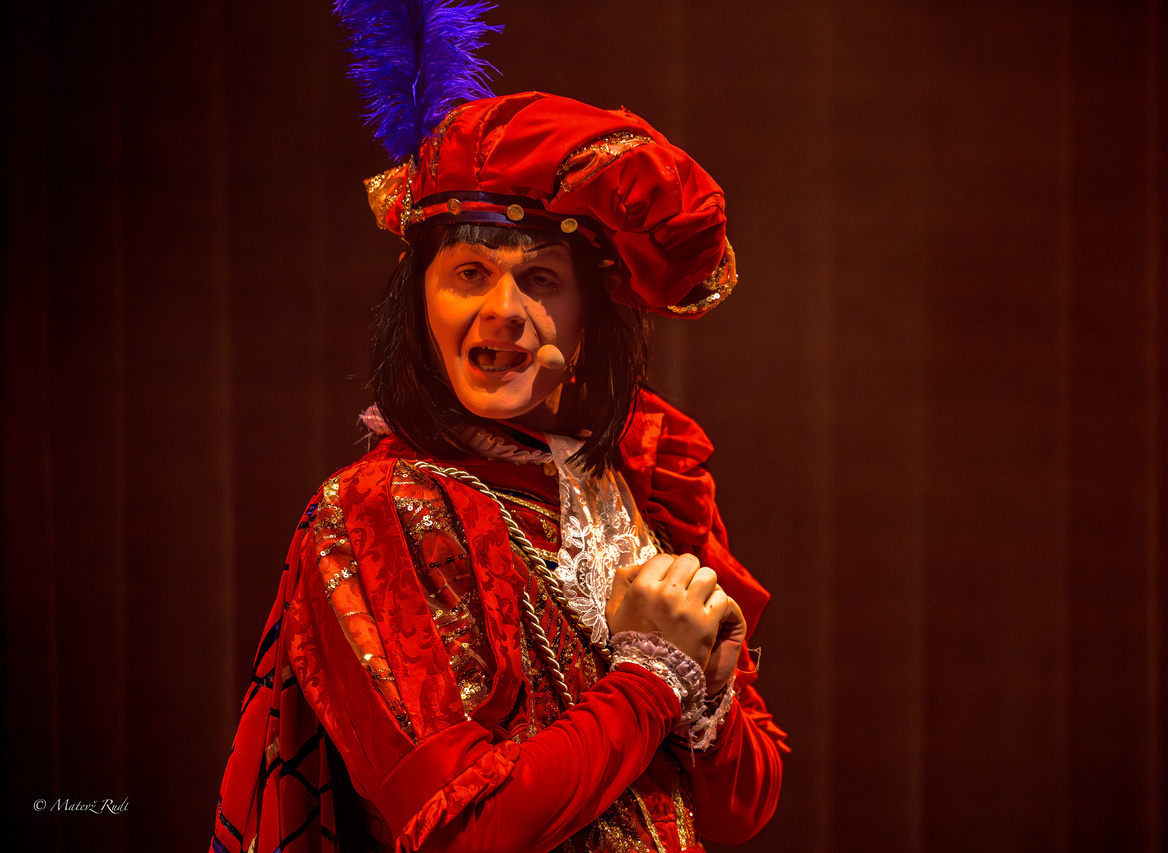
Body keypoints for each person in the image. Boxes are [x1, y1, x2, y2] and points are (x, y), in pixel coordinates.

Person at [211, 8, 785, 852]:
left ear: (590, 316)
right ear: (421, 305)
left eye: (541, 279)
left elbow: (742, 807)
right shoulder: (381, 511)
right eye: (470, 273)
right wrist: (653, 676)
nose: (503, 311)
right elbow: (463, 832)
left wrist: (711, 689)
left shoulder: (640, 486)